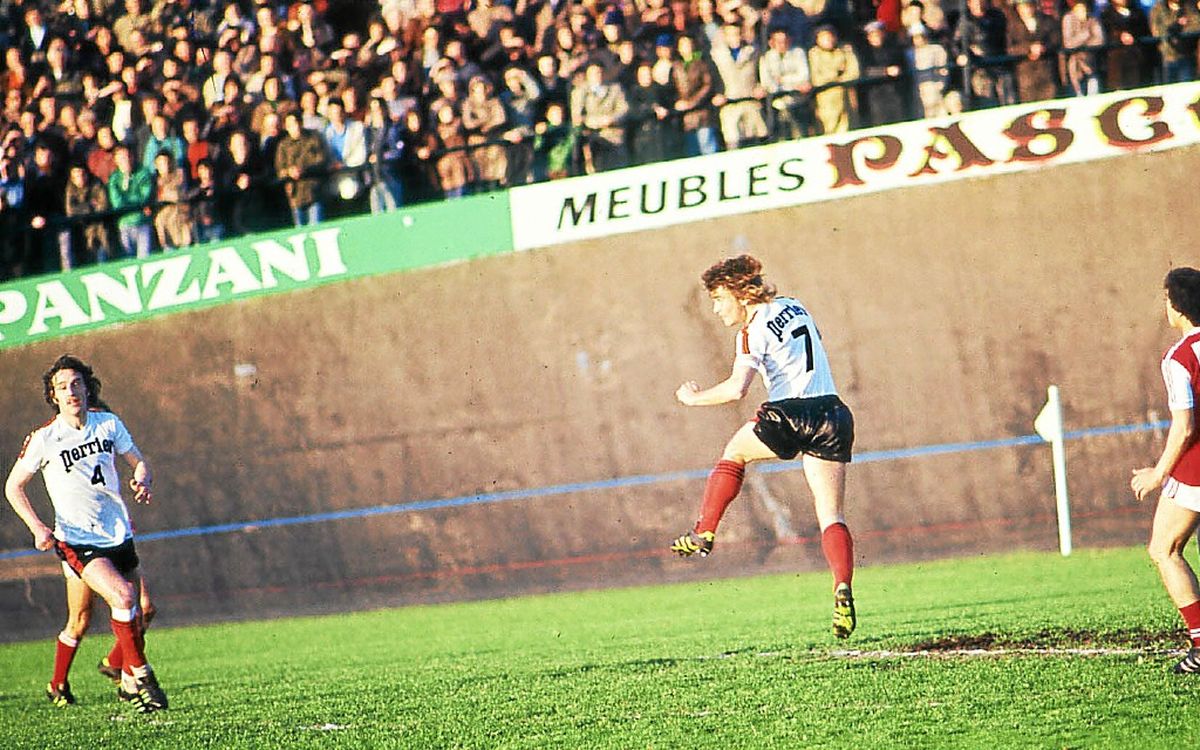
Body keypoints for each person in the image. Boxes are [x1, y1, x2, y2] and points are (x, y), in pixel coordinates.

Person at [672, 255, 858, 639]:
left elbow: (735, 390)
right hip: (833, 414)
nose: (716, 308)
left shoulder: (750, 331)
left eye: (719, 298)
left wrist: (693, 398)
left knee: (734, 453)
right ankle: (842, 586)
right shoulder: (794, 305)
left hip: (790, 413)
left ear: (740, 294)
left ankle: (704, 532)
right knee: (831, 515)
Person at [4, 355, 168, 712]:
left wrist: (143, 476)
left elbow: (139, 460)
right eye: (62, 387)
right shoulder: (45, 438)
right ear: (53, 395)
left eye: (76, 383)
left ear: (86, 387)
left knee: (139, 611)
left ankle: (121, 676)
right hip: (77, 540)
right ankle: (139, 675)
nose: (70, 391)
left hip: (118, 534)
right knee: (119, 601)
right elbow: (13, 487)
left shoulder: (108, 424)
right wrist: (37, 527)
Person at [1132, 268, 1200, 674]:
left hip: (1195, 473)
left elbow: (1185, 426)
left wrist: (1159, 474)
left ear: (1177, 306)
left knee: (1164, 549)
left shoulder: (1179, 357)